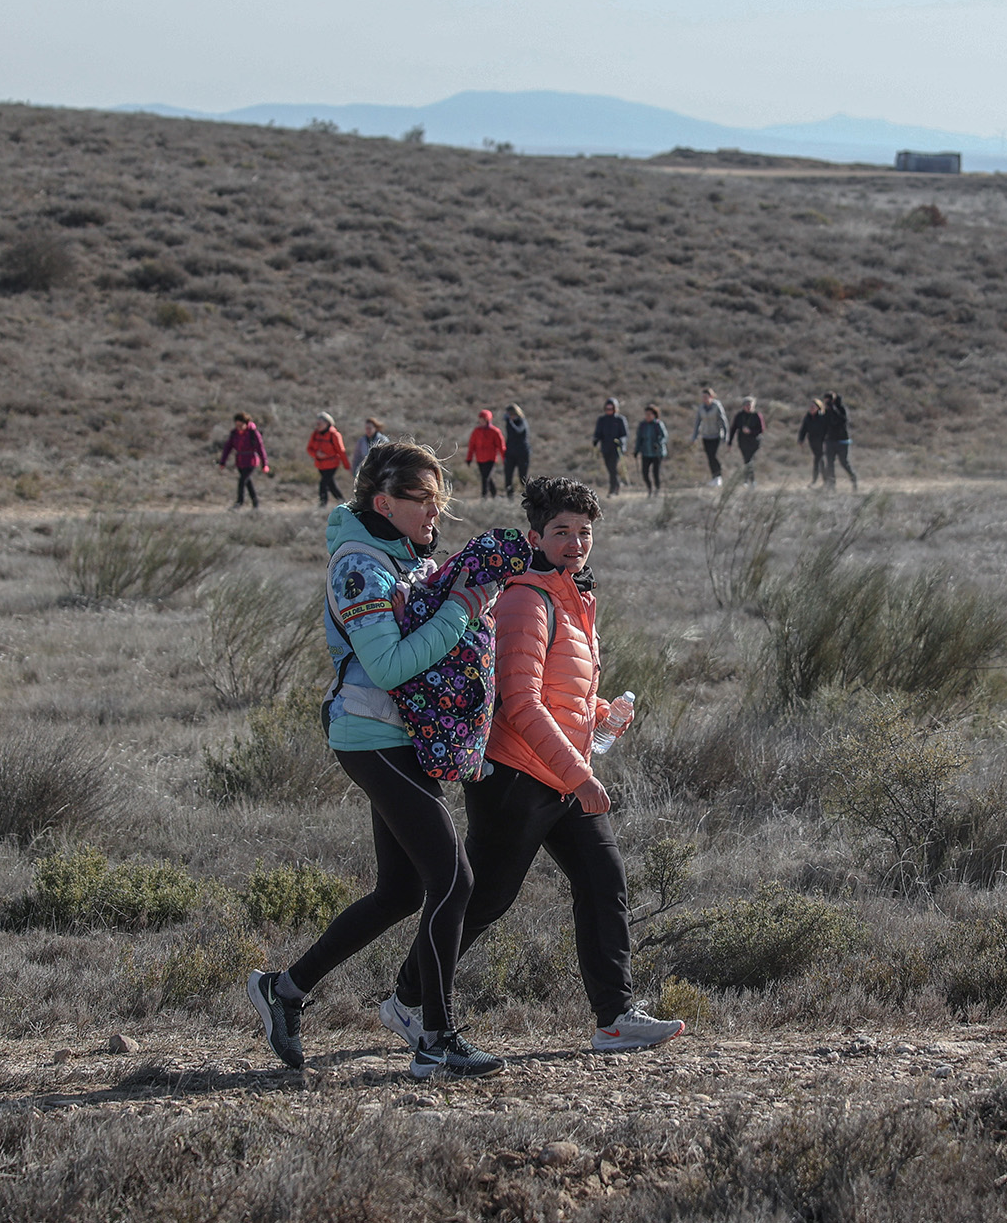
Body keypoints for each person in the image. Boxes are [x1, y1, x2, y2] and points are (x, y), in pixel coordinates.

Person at [247, 442, 516, 1079]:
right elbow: (390, 664)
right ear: (383, 502)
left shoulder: (407, 557)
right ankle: (436, 1039)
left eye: (440, 501)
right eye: (423, 500)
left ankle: (284, 990)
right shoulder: (360, 567)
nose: (435, 513)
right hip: (370, 736)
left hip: (406, 737)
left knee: (401, 890)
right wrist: (460, 611)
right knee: (456, 880)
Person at [396, 478, 684, 1056]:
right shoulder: (528, 597)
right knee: (485, 899)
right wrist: (580, 776)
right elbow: (519, 702)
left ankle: (615, 1018)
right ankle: (407, 999)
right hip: (516, 777)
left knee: (604, 883)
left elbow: (560, 692)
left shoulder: (576, 597)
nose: (575, 542)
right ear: (536, 536)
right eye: (561, 532)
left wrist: (603, 715)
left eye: (584, 532)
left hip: (563, 771)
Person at [218, 412, 268, 509]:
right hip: (240, 462)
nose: (239, 428)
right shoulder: (234, 434)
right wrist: (222, 462)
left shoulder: (253, 433)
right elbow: (227, 448)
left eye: (241, 425)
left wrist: (264, 464)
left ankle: (239, 502)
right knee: (248, 482)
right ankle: (255, 503)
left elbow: (260, 449)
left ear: (246, 423)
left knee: (242, 481)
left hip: (251, 461)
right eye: (237, 425)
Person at [308, 413, 350, 508]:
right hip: (320, 465)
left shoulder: (334, 435)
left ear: (327, 423)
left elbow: (341, 451)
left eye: (320, 423)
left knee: (323, 484)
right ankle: (343, 502)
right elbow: (309, 448)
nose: (318, 425)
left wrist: (346, 465)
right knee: (331, 485)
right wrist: (316, 454)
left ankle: (323, 505)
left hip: (332, 464)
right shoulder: (315, 434)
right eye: (317, 423)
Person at [592, 398, 629, 497]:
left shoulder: (620, 419)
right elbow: (598, 433)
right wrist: (596, 439)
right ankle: (617, 485)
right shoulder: (602, 420)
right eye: (607, 408)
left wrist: (621, 441)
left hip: (616, 448)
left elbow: (624, 434)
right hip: (605, 448)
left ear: (615, 408)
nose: (609, 410)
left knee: (612, 468)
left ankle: (613, 490)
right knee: (610, 469)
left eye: (611, 408)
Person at [691, 389, 728, 486]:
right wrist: (694, 437)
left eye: (706, 397)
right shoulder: (701, 408)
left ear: (711, 397)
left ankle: (718, 476)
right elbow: (697, 423)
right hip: (706, 436)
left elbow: (723, 421)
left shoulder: (717, 406)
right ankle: (714, 477)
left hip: (716, 435)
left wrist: (725, 435)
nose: (704, 399)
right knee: (709, 457)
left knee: (714, 455)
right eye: (703, 397)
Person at [467, 409, 504, 499]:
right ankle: (494, 494)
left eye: (483, 420)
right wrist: (469, 458)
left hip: (490, 458)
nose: (481, 422)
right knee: (487, 477)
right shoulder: (476, 431)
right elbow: (472, 445)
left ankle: (484, 497)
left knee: (485, 478)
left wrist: (504, 458)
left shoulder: (495, 431)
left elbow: (501, 446)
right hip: (480, 459)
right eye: (480, 420)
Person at [823, 393, 858, 490]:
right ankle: (831, 485)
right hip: (830, 441)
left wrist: (833, 409)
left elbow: (842, 421)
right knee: (829, 463)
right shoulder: (826, 411)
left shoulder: (841, 409)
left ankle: (853, 478)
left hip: (842, 441)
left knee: (844, 462)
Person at [728, 396, 765, 487]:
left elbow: (761, 429)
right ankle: (750, 480)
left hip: (754, 441)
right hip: (742, 441)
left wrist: (750, 431)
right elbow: (733, 429)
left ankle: (748, 480)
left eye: (750, 405)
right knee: (747, 460)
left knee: (749, 459)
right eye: (746, 405)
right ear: (743, 406)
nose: (748, 407)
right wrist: (730, 442)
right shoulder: (739, 416)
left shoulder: (757, 415)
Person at [634, 404, 667, 495]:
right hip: (645, 452)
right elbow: (639, 438)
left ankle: (657, 489)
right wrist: (636, 450)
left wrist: (658, 444)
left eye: (649, 414)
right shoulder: (642, 425)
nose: (647, 416)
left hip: (657, 453)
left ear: (654, 415)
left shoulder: (658, 424)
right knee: (645, 473)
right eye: (646, 414)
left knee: (655, 473)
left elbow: (664, 437)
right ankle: (649, 488)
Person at [503, 404, 532, 499]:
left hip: (522, 452)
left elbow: (518, 431)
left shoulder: (522, 422)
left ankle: (528, 495)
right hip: (510, 453)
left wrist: (509, 421)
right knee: (508, 476)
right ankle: (509, 496)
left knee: (522, 476)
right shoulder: (509, 423)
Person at [798, 398, 829, 485]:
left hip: (822, 442)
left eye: (813, 406)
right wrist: (801, 439)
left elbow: (826, 429)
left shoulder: (822, 417)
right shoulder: (807, 417)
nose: (811, 408)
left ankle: (820, 481)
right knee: (818, 460)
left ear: (818, 407)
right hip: (812, 441)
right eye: (810, 406)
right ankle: (820, 481)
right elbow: (803, 429)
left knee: (819, 460)